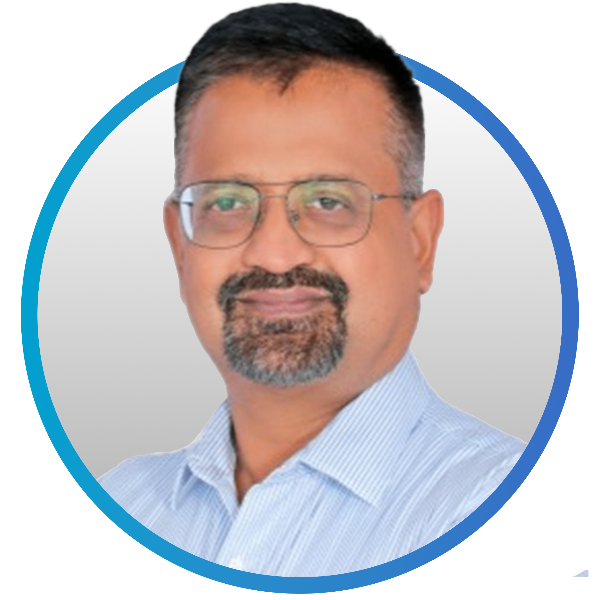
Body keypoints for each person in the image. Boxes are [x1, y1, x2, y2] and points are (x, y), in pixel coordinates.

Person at [99, 2, 526, 576]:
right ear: (180, 245)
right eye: (227, 202)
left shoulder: (482, 501)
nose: (275, 254)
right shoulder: (126, 502)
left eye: (328, 201)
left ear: (420, 242)